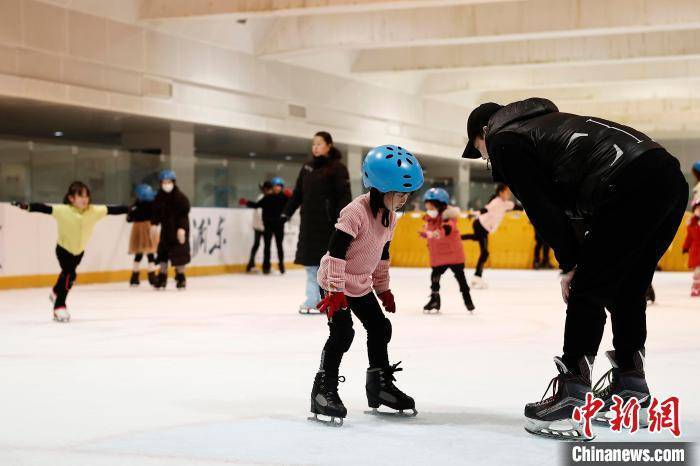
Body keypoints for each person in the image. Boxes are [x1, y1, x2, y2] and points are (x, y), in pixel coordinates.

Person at [462, 98, 688, 440]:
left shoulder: (505, 138)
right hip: (667, 177)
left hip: (629, 182)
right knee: (627, 288)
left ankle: (573, 397)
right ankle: (632, 388)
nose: (485, 158)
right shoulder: (549, 125)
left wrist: (570, 264)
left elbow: (540, 207)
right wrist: (579, 257)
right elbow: (580, 198)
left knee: (587, 289)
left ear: (484, 130)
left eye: (480, 150)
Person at [308, 145, 423, 426]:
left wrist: (383, 289)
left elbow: (382, 254)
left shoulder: (390, 216)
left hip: (359, 283)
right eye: (399, 193)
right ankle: (323, 389)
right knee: (342, 333)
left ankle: (379, 386)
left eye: (407, 194)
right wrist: (335, 291)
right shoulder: (355, 212)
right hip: (335, 283)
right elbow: (335, 252)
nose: (404, 199)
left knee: (380, 327)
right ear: (379, 188)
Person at [12, 181, 130, 322]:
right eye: (80, 196)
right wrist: (27, 206)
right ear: (71, 198)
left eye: (87, 196)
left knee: (67, 274)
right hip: (63, 250)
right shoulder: (63, 210)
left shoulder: (93, 211)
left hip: (79, 252)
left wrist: (129, 209)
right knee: (69, 275)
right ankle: (59, 307)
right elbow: (45, 208)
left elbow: (112, 210)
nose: (85, 199)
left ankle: (56, 291)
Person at [283, 131, 352, 313]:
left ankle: (323, 300)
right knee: (311, 266)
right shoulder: (307, 167)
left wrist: (343, 221)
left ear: (329, 145)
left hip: (329, 225)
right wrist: (286, 213)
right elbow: (298, 193)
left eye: (319, 144)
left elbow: (344, 197)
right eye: (313, 144)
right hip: (309, 224)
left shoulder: (338, 168)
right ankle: (315, 300)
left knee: (326, 265)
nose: (315, 147)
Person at [419, 187, 475, 313]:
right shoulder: (429, 219)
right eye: (427, 207)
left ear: (440, 205)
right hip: (439, 256)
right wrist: (427, 233)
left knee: (461, 279)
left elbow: (447, 229)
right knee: (435, 277)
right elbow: (430, 233)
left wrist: (436, 234)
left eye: (431, 207)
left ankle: (468, 301)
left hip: (453, 255)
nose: (429, 209)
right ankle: (435, 300)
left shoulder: (448, 217)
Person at [460, 183, 517, 288]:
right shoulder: (496, 201)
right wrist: (474, 214)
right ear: (500, 193)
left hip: (483, 227)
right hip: (480, 225)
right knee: (485, 253)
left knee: (479, 242)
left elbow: (516, 207)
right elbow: (485, 209)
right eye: (506, 192)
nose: (508, 194)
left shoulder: (506, 204)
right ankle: (477, 277)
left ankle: (458, 238)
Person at [239, 178, 289, 275]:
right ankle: (266, 267)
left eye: (279, 186)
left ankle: (281, 266)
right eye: (275, 186)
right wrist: (246, 202)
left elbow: (290, 207)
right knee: (267, 247)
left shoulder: (284, 197)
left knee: (279, 246)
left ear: (281, 188)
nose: (277, 188)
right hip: (268, 225)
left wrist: (285, 219)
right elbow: (257, 205)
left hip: (279, 225)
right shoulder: (267, 197)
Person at [152, 170, 191, 290]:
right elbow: (156, 213)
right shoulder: (159, 197)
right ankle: (162, 276)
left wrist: (182, 228)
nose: (166, 184)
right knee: (162, 253)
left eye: (168, 182)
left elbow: (183, 214)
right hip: (166, 231)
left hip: (179, 229)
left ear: (173, 182)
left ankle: (180, 277)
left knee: (179, 254)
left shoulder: (180, 197)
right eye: (164, 182)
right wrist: (154, 224)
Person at [127, 183, 159, 287]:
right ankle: (152, 276)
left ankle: (134, 276)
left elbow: (129, 218)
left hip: (137, 228)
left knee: (139, 253)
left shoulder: (135, 205)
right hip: (147, 227)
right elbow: (157, 215)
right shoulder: (152, 204)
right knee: (150, 253)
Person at [245, 181, 269, 273]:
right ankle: (253, 265)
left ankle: (251, 264)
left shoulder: (262, 197)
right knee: (260, 245)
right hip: (261, 226)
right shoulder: (263, 197)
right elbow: (259, 212)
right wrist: (264, 225)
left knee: (257, 245)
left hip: (258, 225)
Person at [683, 198, 700, 297]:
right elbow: (689, 238)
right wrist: (685, 247)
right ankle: (695, 287)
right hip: (696, 251)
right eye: (697, 209)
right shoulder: (692, 224)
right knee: (697, 272)